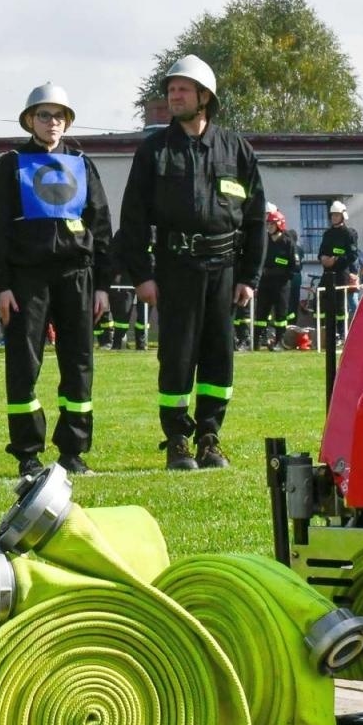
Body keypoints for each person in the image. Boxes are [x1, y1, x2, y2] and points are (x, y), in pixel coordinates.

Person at [115, 55, 265, 472]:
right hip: (175, 269)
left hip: (225, 270)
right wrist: (141, 275)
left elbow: (255, 219)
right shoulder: (154, 151)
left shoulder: (236, 149)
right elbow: (132, 218)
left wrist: (249, 276)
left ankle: (210, 437)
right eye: (170, 89)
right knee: (177, 357)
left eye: (182, 89)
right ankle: (178, 439)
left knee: (219, 358)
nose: (173, 96)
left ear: (204, 97)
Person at [0, 82, 112, 478]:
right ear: (29, 120)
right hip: (26, 280)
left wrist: (104, 286)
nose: (52, 122)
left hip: (77, 277)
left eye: (59, 116)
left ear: (67, 122)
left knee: (78, 365)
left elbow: (102, 226)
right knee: (24, 365)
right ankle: (27, 451)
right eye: (44, 115)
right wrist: (2, 284)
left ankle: (73, 451)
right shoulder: (10, 164)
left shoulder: (82, 163)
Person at [256, 208, 299, 350]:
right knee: (261, 312)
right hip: (265, 283)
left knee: (281, 314)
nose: (269, 227)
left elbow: (294, 265)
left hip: (281, 284)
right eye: (268, 224)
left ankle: (280, 341)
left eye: (272, 224)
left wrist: (281, 273)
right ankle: (257, 341)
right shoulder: (264, 241)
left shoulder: (287, 242)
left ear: (280, 225)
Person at [317, 201, 359, 345]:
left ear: (343, 216)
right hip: (327, 273)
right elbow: (321, 251)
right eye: (332, 215)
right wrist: (323, 258)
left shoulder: (349, 234)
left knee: (340, 305)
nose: (334, 217)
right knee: (322, 299)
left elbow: (352, 255)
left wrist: (336, 260)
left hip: (341, 273)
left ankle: (341, 333)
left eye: (337, 215)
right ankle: (325, 331)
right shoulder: (327, 234)